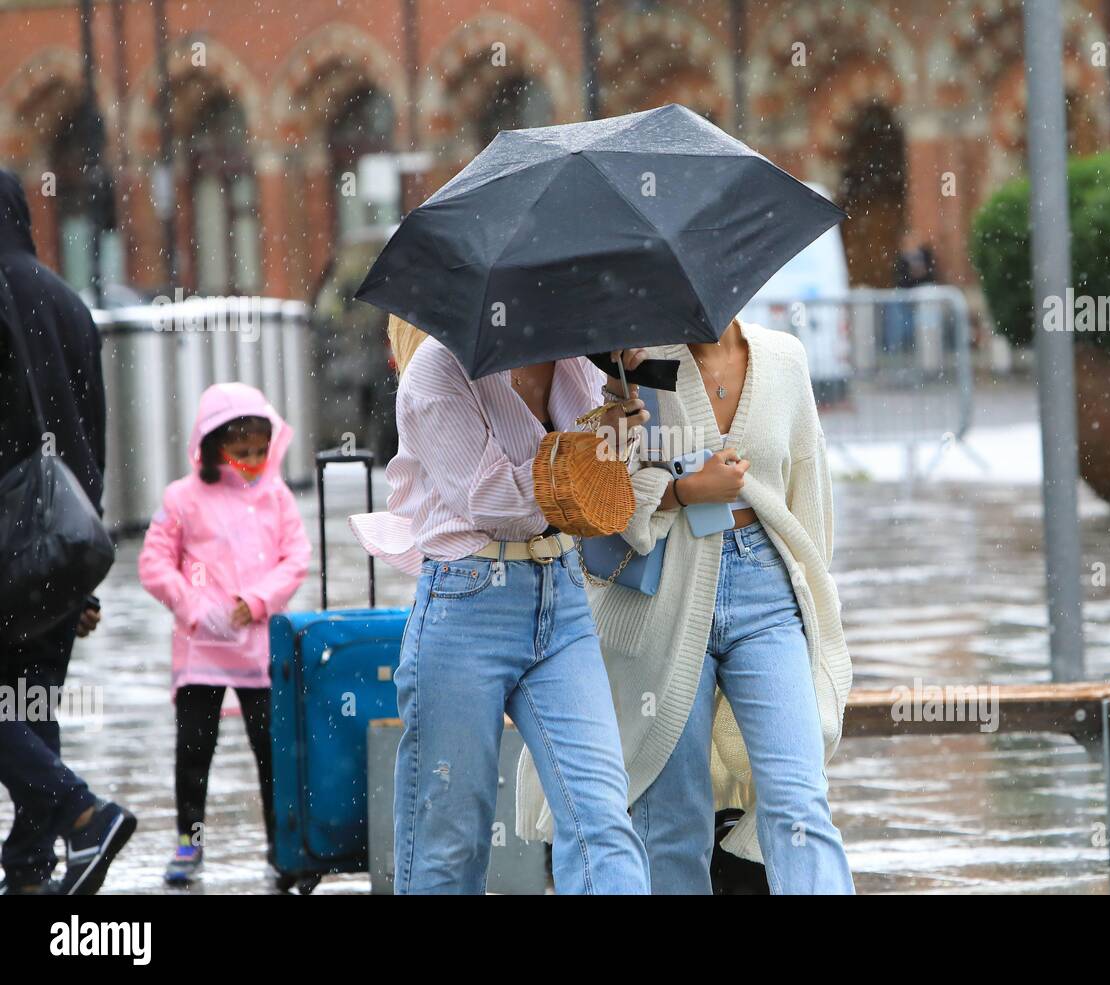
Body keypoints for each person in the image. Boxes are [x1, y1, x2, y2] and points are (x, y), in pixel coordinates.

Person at [517, 316, 856, 894]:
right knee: (670, 815)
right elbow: (606, 495)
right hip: (667, 592)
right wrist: (680, 490)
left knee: (800, 798)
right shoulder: (634, 364)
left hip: (766, 589)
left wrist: (814, 601)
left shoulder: (785, 359)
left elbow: (809, 497)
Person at [348, 316, 652, 895]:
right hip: (465, 604)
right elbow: (491, 500)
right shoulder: (435, 371)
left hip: (561, 595)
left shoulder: (572, 357)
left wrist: (618, 416)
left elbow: (601, 492)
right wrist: (584, 448)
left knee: (602, 816)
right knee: (452, 837)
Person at [0, 168, 135, 896]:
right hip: (63, 543)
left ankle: (82, 815)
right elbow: (94, 436)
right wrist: (82, 562)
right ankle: (27, 869)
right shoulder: (67, 301)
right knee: (28, 700)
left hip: (4, 545)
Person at [138, 382, 310, 885]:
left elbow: (295, 558)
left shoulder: (276, 497)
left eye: (260, 451)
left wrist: (255, 602)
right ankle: (189, 842)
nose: (253, 461)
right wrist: (195, 607)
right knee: (194, 750)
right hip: (201, 653)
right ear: (215, 448)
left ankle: (282, 843)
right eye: (241, 453)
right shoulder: (182, 499)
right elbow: (154, 564)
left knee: (271, 751)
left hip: (258, 649)